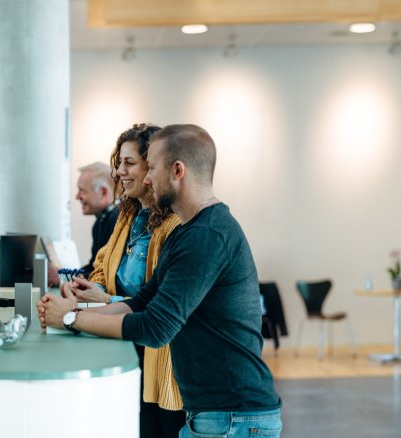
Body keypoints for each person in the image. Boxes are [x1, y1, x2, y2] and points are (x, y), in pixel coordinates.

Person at [39, 124, 283, 437]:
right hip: (217, 414)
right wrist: (72, 313)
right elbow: (141, 303)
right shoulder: (186, 233)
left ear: (177, 171)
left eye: (151, 167)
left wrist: (72, 318)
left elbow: (155, 327)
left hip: (232, 417)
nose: (148, 178)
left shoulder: (206, 236)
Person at [71, 123, 185, 438]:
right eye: (119, 162)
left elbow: (155, 308)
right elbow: (102, 263)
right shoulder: (129, 217)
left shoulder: (174, 228)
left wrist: (97, 302)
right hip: (127, 347)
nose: (119, 171)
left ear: (154, 167)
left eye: (129, 163)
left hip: (160, 364)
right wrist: (91, 291)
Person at [75, 161, 118, 276]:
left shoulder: (118, 222)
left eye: (82, 190)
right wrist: (65, 274)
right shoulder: (100, 222)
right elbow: (94, 267)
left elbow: (104, 273)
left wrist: (67, 276)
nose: (77, 197)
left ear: (103, 192)